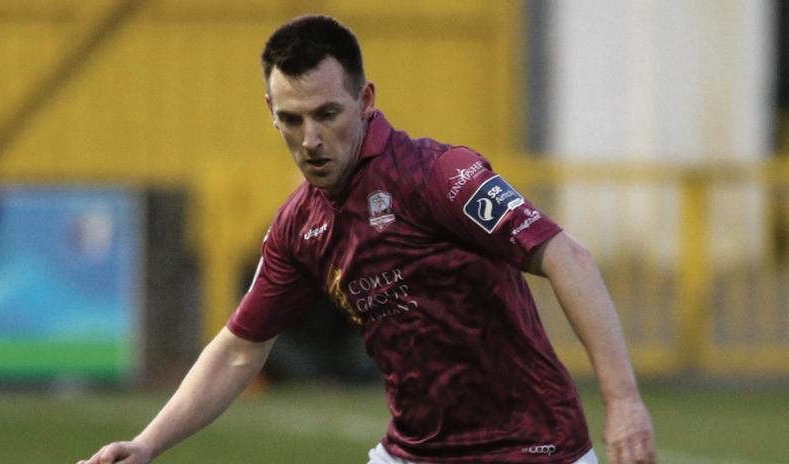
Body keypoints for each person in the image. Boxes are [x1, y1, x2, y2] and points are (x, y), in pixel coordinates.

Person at [78, 15, 655, 464]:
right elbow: (238, 349)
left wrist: (624, 401)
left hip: (532, 446)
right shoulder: (298, 229)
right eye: (292, 119)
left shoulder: (440, 176)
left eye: (328, 114)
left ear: (366, 100)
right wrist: (148, 443)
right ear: (270, 113)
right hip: (414, 452)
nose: (311, 140)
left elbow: (567, 257)